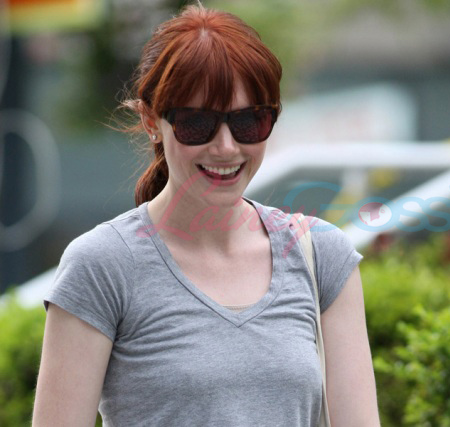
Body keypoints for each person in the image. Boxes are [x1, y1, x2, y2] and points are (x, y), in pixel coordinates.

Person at [32, 4, 380, 427]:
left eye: (249, 121)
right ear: (150, 120)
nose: (226, 147)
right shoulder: (102, 265)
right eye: (197, 124)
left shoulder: (321, 256)